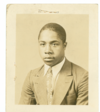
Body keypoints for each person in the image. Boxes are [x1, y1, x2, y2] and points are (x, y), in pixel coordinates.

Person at [19, 23, 88, 105]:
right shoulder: (32, 76)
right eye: (42, 44)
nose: (47, 50)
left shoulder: (83, 76)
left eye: (54, 44)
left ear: (64, 46)